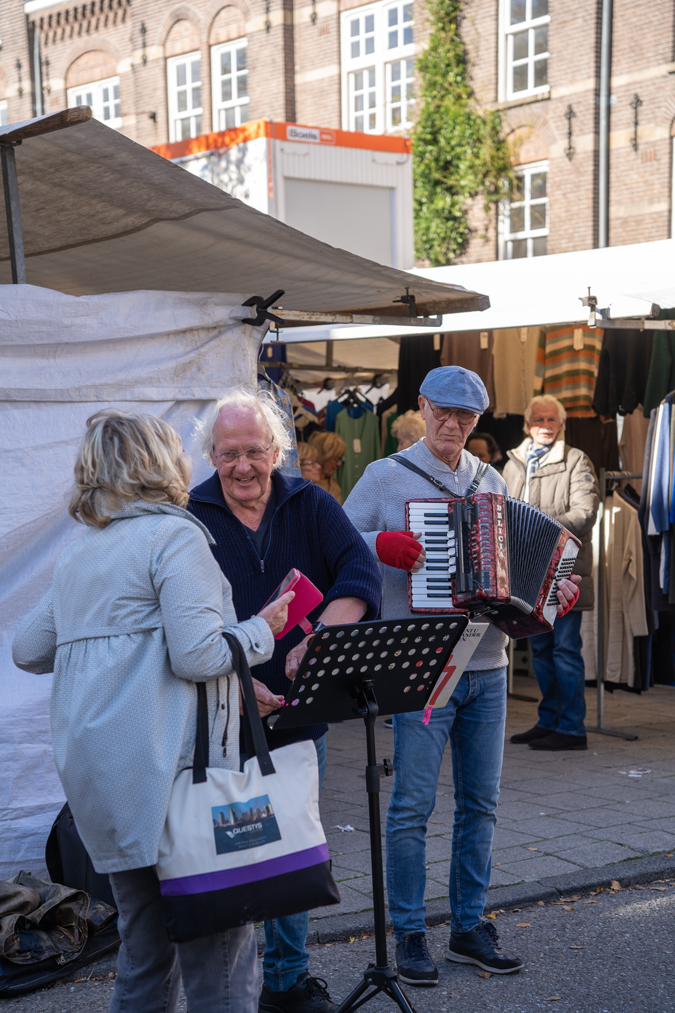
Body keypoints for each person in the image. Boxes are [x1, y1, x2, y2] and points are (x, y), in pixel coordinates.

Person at [12, 410, 294, 1013]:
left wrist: (114, 642)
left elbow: (28, 649)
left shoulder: (83, 550)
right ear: (161, 464)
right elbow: (196, 655)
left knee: (142, 954)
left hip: (105, 783)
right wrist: (260, 630)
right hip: (176, 778)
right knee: (219, 959)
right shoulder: (175, 535)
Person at [343, 366, 580, 987]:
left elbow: (520, 569)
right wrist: (379, 544)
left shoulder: (490, 479)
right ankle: (411, 932)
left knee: (482, 804)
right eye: (443, 412)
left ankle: (469, 927)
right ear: (422, 406)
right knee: (411, 806)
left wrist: (556, 592)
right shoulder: (384, 475)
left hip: (489, 665)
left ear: (479, 420)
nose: (452, 425)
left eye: (466, 417)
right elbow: (336, 544)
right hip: (422, 669)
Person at [188, 388, 382, 1013]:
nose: (242, 467)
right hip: (220, 714)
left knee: (296, 844)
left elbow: (359, 569)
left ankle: (287, 982)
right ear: (211, 456)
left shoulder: (311, 502)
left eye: (253, 451)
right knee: (235, 849)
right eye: (228, 455)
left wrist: (323, 638)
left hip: (300, 710)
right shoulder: (187, 517)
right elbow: (181, 626)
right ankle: (235, 985)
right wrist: (239, 684)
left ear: (276, 450)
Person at [503, 394, 599, 751]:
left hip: (565, 572)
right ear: (528, 424)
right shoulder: (512, 463)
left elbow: (585, 512)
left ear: (562, 425)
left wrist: (545, 532)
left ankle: (572, 727)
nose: (544, 425)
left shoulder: (576, 460)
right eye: (538, 419)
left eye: (552, 420)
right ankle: (549, 720)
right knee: (541, 648)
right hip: (527, 573)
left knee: (565, 650)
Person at [307, 431, 347, 503]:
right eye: (336, 459)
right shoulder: (307, 486)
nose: (339, 464)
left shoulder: (335, 486)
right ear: (323, 457)